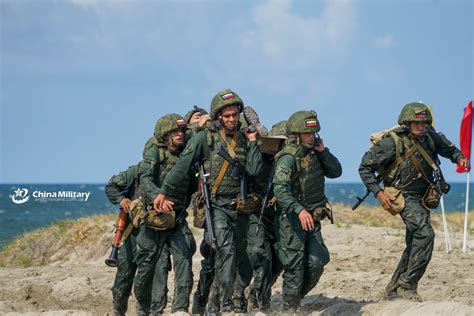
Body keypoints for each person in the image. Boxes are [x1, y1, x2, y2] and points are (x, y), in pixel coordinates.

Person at [154, 89, 263, 312]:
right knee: (227, 252)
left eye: (234, 115)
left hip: (240, 207)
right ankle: (227, 305)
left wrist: (253, 143)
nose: (232, 120)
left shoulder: (245, 138)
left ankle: (214, 301)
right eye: (227, 116)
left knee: (241, 255)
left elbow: (254, 169)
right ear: (218, 116)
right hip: (217, 207)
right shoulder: (205, 139)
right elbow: (182, 167)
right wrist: (163, 192)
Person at [359, 102, 469, 301]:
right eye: (417, 123)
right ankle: (408, 286)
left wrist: (460, 158)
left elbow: (450, 149)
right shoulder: (390, 143)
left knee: (414, 244)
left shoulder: (431, 137)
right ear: (406, 123)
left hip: (424, 198)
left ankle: (393, 290)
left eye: (425, 123)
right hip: (403, 196)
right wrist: (379, 193)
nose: (422, 126)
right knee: (425, 234)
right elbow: (364, 168)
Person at [273, 110, 342, 311]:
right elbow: (280, 188)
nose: (311, 137)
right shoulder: (288, 158)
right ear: (296, 134)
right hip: (292, 219)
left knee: (318, 261)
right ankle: (288, 309)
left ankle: (294, 300)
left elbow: (336, 172)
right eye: (307, 134)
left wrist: (323, 151)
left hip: (312, 217)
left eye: (313, 133)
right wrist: (299, 210)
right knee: (294, 267)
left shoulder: (316, 152)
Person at [133, 114, 197, 314]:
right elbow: (145, 178)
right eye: (174, 132)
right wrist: (157, 197)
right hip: (154, 219)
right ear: (164, 135)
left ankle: (180, 309)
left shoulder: (188, 154)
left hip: (177, 219)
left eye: (181, 131)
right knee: (151, 268)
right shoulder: (155, 153)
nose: (180, 134)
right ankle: (148, 310)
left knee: (184, 261)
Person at [246, 120, 287, 312]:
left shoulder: (291, 158)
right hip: (258, 215)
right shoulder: (258, 154)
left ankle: (257, 293)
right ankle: (262, 303)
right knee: (260, 255)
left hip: (281, 217)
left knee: (278, 261)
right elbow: (253, 170)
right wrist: (254, 143)